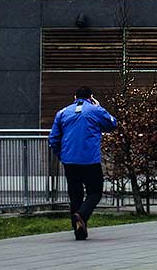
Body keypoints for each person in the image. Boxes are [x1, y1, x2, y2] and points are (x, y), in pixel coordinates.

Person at [48, 86, 118, 240]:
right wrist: (99, 106)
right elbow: (112, 124)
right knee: (95, 192)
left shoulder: (62, 113)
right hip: (89, 160)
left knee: (75, 195)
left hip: (69, 161)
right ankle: (82, 215)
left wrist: (62, 155)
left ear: (74, 97)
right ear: (91, 97)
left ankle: (78, 230)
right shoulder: (95, 110)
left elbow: (53, 139)